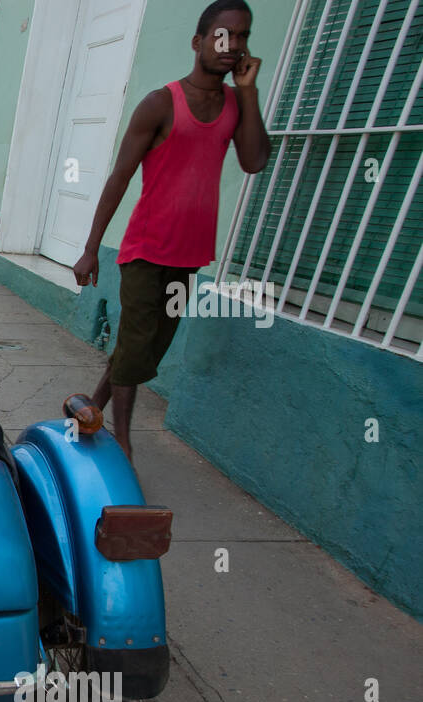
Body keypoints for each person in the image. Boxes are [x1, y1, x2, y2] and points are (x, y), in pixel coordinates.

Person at [73, 0, 269, 460]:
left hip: (189, 256)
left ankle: (90, 409)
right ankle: (121, 445)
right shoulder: (161, 103)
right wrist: (90, 249)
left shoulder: (235, 106)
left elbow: (254, 160)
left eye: (241, 35)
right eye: (222, 35)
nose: (232, 44)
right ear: (198, 42)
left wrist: (250, 92)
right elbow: (119, 177)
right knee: (137, 344)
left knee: (145, 352)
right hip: (145, 249)